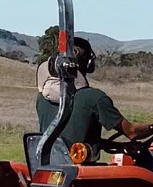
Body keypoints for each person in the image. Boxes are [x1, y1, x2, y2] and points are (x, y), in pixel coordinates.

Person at [31, 33, 125, 165]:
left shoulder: (41, 98)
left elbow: (65, 141)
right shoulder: (95, 98)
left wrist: (111, 145)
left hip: (46, 165)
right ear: (88, 62)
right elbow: (132, 132)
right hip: (78, 170)